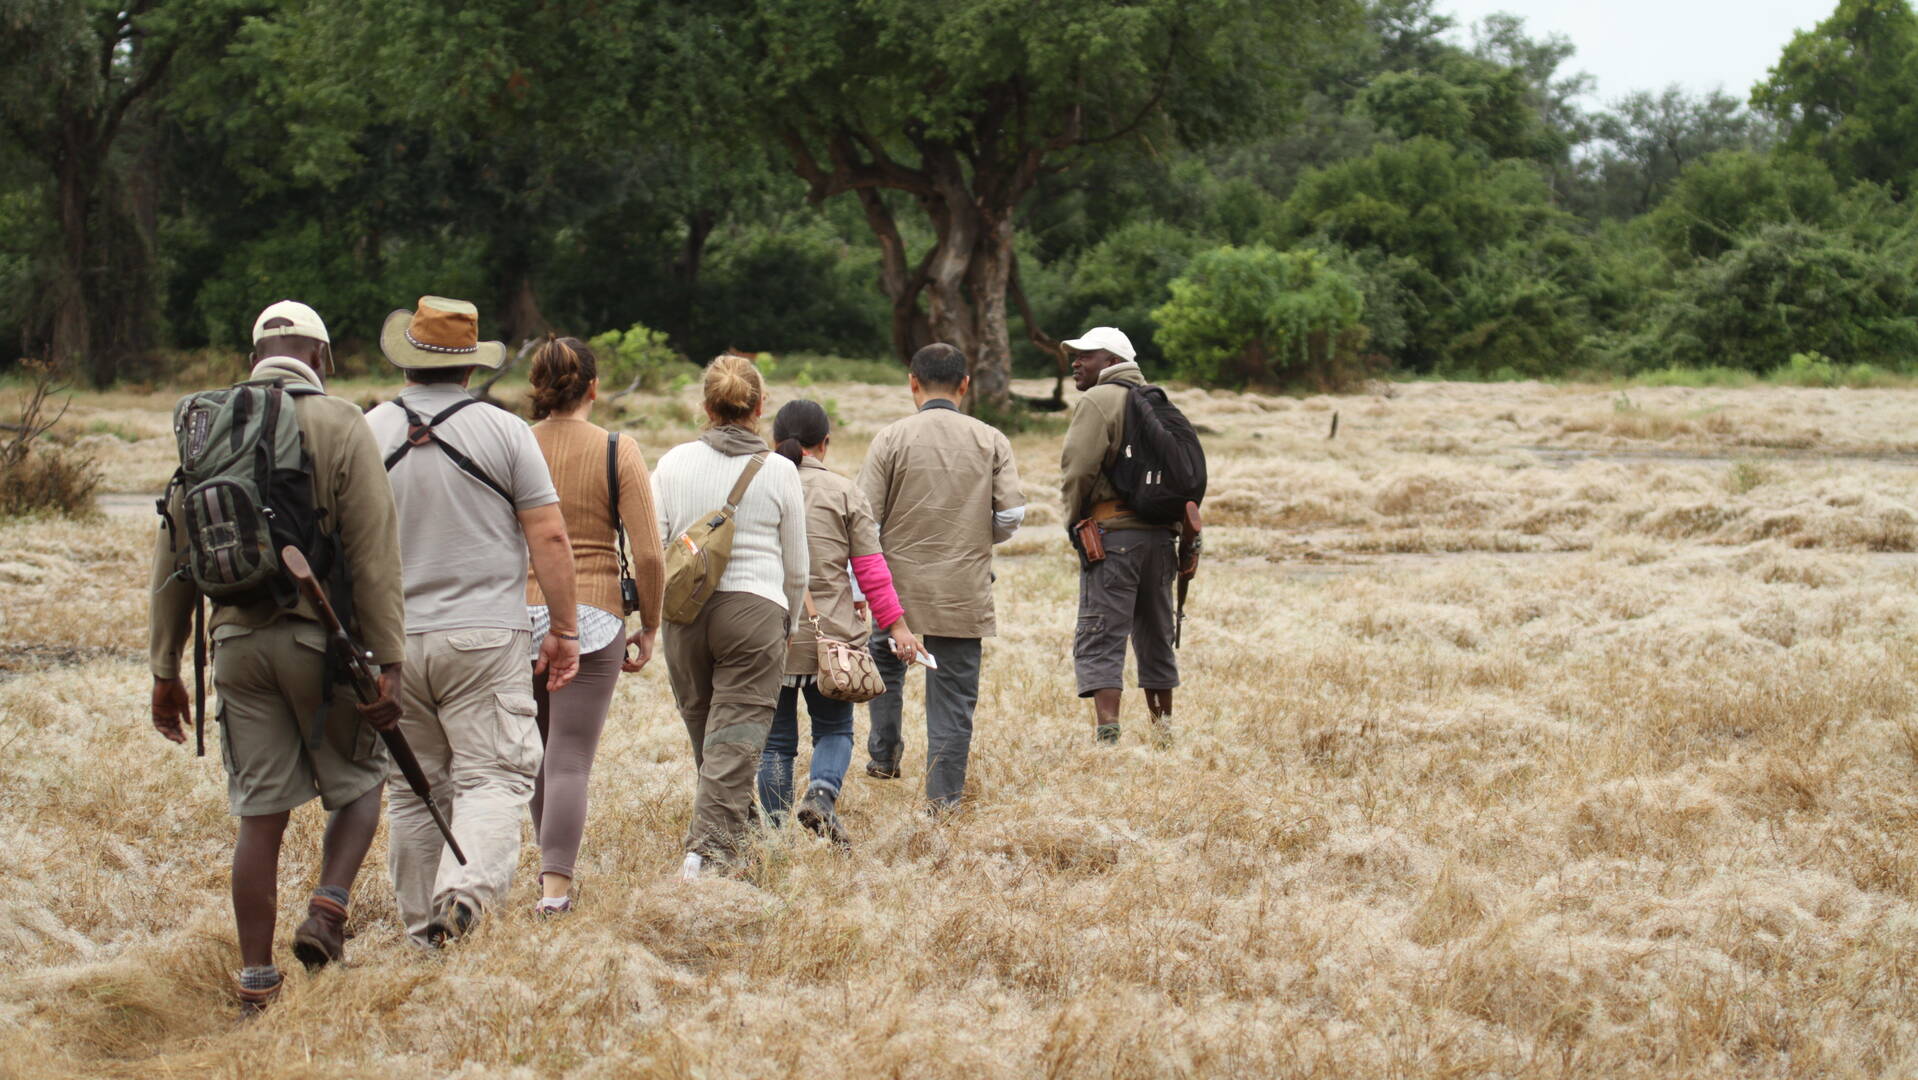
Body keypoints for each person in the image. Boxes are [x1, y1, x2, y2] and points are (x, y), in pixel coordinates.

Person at [149, 301, 406, 1010]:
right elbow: (373, 554)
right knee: (359, 782)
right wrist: (389, 661)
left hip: (234, 646)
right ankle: (327, 909)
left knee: (259, 816)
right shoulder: (340, 422)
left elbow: (173, 553)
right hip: (319, 643)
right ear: (321, 358)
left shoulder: (206, 426)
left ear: (254, 354)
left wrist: (164, 670)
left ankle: (256, 981)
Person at [366, 296, 581, 945]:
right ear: (469, 368)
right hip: (487, 636)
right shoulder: (506, 431)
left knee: (412, 790)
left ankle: (417, 932)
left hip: (395, 639)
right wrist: (565, 631)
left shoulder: (368, 429)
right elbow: (548, 537)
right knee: (494, 775)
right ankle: (462, 895)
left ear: (407, 361)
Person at [651, 353, 807, 879]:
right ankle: (706, 854)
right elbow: (797, 563)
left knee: (707, 729)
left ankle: (734, 840)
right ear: (760, 407)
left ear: (706, 406)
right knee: (736, 736)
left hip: (685, 613)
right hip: (756, 607)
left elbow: (654, 545)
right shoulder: (781, 470)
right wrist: (787, 619)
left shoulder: (671, 463)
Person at [523, 336, 664, 915]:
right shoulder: (616, 448)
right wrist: (650, 624)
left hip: (521, 611)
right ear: (594, 388)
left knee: (536, 752)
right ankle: (555, 888)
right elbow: (650, 554)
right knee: (571, 757)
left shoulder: (518, 444)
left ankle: (543, 860)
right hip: (596, 612)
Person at [857, 343, 1025, 810]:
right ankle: (944, 797)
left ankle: (884, 754)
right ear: (965, 385)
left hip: (896, 590)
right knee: (953, 695)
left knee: (884, 662)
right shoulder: (991, 439)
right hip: (962, 588)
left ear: (912, 381)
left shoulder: (890, 438)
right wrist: (978, 534)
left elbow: (865, 520)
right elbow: (1011, 514)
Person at [758, 399, 920, 845]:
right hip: (833, 643)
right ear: (825, 444)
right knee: (834, 728)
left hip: (768, 633)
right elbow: (871, 571)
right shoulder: (845, 492)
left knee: (775, 742)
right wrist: (898, 626)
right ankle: (822, 794)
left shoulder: (754, 486)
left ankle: (773, 834)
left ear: (775, 441)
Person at [1059, 326, 1180, 745]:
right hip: (1163, 540)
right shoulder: (1160, 402)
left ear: (1111, 361)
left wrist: (1073, 522)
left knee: (1103, 632)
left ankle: (1107, 737)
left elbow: (1078, 470)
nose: (1076, 361)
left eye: (1085, 355)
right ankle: (1163, 733)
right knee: (1156, 635)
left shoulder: (1098, 400)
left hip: (1113, 537)